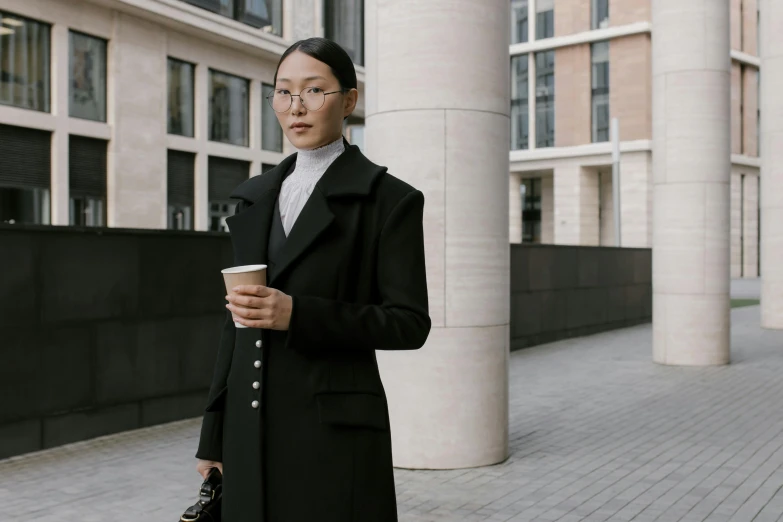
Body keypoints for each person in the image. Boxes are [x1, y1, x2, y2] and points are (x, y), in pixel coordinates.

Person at [194, 37, 431, 522]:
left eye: (314, 91)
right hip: (249, 429)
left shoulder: (390, 201)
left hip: (333, 433)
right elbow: (234, 327)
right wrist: (213, 433)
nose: (295, 107)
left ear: (348, 100)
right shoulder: (253, 198)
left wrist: (297, 314)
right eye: (283, 92)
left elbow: (409, 323)